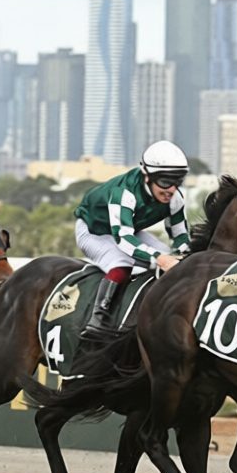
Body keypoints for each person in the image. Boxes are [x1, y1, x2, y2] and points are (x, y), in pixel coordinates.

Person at [73, 140, 191, 337]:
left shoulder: (175, 198)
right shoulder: (124, 193)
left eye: (177, 181)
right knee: (122, 262)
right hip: (94, 231)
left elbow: (180, 236)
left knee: (171, 257)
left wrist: (183, 255)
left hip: (129, 229)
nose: (171, 189)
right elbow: (124, 240)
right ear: (147, 176)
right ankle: (99, 317)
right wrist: (159, 259)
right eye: (164, 182)